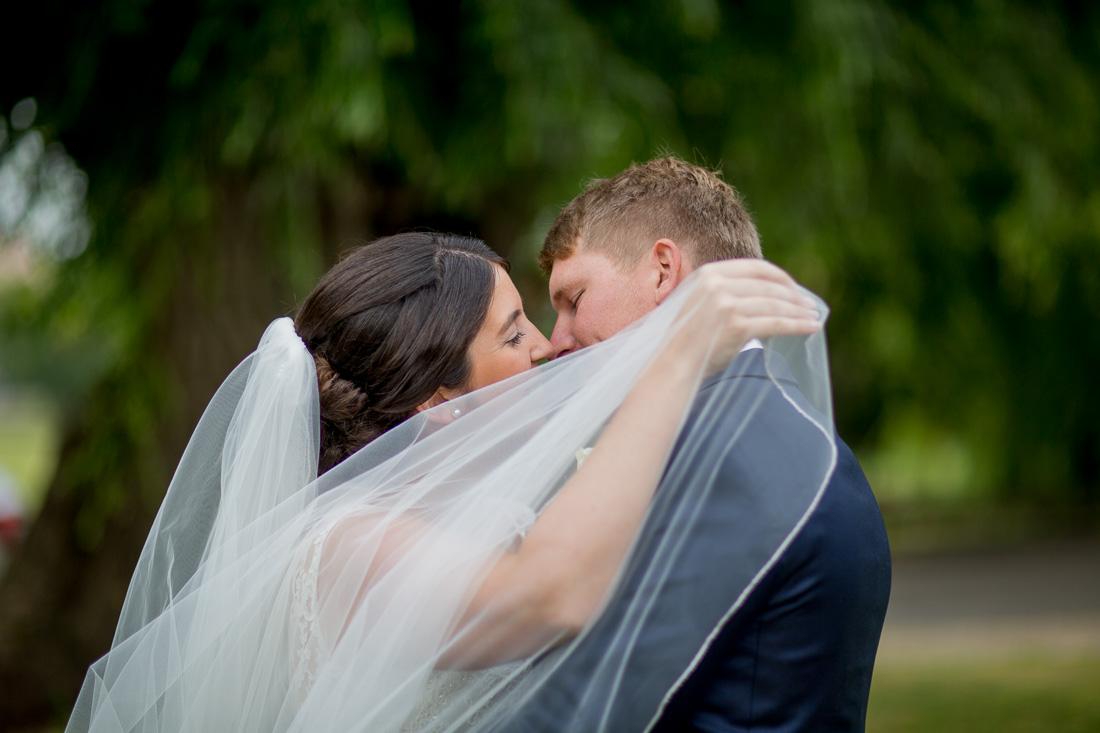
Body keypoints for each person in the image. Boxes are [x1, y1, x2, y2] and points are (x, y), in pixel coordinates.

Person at [68, 231, 832, 733]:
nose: (547, 347)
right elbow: (547, 597)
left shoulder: (472, 518)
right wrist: (677, 354)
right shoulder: (343, 545)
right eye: (514, 331)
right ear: (437, 404)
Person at [501, 156, 892, 732]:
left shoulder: (716, 461)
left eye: (574, 299)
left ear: (663, 270)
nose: (557, 340)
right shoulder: (795, 435)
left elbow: (587, 707)